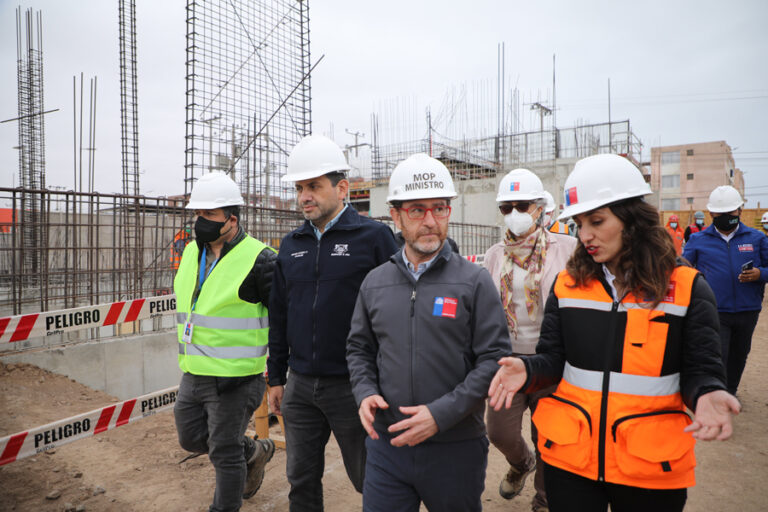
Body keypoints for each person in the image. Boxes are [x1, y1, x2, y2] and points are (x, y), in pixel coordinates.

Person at [489, 154, 740, 512]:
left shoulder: (686, 289)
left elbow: (701, 367)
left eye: (597, 221)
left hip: (649, 466)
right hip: (571, 462)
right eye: (579, 223)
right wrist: (528, 370)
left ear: (632, 218)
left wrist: (707, 392)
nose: (585, 236)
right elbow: (554, 359)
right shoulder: (569, 285)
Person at [346, 153, 512, 512]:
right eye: (417, 210)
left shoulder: (474, 281)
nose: (431, 221)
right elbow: (358, 349)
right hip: (387, 449)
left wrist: (440, 415)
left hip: (456, 448)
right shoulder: (375, 283)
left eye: (440, 208)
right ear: (396, 215)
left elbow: (493, 361)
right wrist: (364, 392)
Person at [267, 134, 399, 511]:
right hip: (301, 386)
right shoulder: (291, 245)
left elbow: (394, 310)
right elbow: (279, 312)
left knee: (371, 478)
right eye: (300, 188)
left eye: (314, 186)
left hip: (354, 385)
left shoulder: (373, 238)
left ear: (341, 188)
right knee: (301, 480)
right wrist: (276, 375)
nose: (305, 196)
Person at [173, 171, 277, 512]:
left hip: (236, 379)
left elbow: (282, 322)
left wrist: (277, 375)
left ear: (231, 218)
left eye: (209, 215)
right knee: (190, 438)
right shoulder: (191, 252)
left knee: (224, 452)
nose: (199, 221)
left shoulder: (261, 260)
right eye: (197, 214)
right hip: (194, 371)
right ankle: (254, 451)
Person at [483, 169, 577, 512]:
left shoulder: (567, 249)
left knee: (548, 438)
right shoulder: (495, 255)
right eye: (506, 207)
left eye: (522, 205)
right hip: (507, 362)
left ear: (539, 208)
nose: (514, 214)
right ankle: (522, 463)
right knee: (499, 432)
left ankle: (544, 499)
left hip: (552, 362)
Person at [682, 185, 768, 395]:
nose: (726, 217)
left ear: (739, 210)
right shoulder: (698, 240)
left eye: (730, 213)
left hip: (748, 310)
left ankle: (731, 390)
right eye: (720, 214)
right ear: (712, 213)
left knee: (740, 354)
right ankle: (716, 392)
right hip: (714, 310)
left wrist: (760, 274)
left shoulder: (757, 238)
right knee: (718, 353)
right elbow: (683, 269)